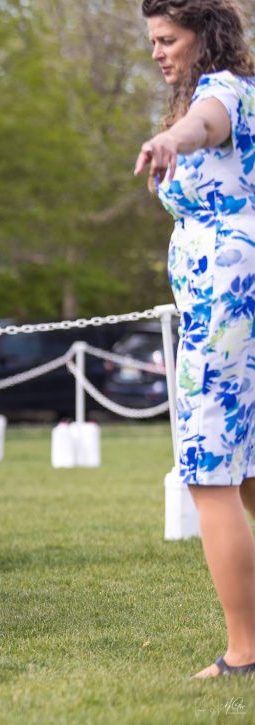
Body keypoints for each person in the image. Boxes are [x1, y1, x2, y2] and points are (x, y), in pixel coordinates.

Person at [134, 0, 255, 678]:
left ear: (204, 37)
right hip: (247, 295)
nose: (157, 51)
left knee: (210, 472)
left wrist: (172, 141)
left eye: (167, 38)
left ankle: (245, 652)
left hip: (226, 302)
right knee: (252, 471)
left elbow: (204, 125)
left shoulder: (219, 94)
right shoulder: (249, 90)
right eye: (152, 40)